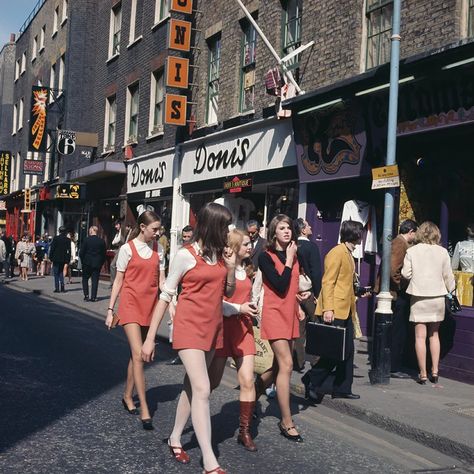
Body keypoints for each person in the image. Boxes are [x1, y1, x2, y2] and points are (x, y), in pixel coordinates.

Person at [141, 202, 236, 474]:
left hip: (212, 328)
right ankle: (209, 461)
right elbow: (166, 294)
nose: (228, 232)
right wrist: (150, 338)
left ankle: (174, 437)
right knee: (204, 389)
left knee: (193, 387)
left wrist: (229, 268)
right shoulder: (185, 254)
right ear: (211, 226)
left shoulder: (219, 256)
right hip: (188, 327)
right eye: (224, 226)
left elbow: (226, 292)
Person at [106, 211, 165, 431]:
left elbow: (162, 283)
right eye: (154, 229)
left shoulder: (160, 250)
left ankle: (127, 396)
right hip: (130, 305)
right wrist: (110, 310)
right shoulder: (126, 249)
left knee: (136, 354)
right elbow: (118, 281)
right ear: (142, 227)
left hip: (149, 306)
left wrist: (174, 304)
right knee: (140, 355)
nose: (157, 233)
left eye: (159, 229)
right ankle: (145, 409)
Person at [208, 229, 259, 452]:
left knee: (248, 381)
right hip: (222, 329)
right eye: (246, 244)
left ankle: (244, 431)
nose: (251, 247)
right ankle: (192, 412)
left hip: (244, 329)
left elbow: (251, 298)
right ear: (235, 247)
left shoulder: (248, 270)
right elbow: (216, 303)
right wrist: (240, 307)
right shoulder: (221, 269)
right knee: (212, 383)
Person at [302, 220, 364, 402]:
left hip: (346, 309)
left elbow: (345, 283)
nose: (362, 236)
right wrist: (328, 308)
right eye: (361, 233)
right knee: (333, 352)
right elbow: (328, 282)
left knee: (348, 351)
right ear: (355, 234)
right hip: (335, 310)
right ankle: (311, 379)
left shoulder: (348, 253)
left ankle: (342, 388)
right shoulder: (337, 253)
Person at [255, 214, 305, 443]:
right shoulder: (265, 257)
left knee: (277, 366)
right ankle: (286, 421)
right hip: (275, 314)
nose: (287, 231)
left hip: (291, 313)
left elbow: (291, 285)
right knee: (287, 364)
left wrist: (300, 297)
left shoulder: (295, 255)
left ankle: (252, 394)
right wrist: (289, 259)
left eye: (289, 228)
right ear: (274, 231)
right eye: (282, 228)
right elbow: (279, 283)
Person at [401, 221, 455, 385]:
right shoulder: (443, 252)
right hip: (437, 297)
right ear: (436, 234)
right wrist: (452, 291)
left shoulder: (412, 251)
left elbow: (405, 274)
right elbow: (449, 276)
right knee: (434, 335)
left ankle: (423, 374)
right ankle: (435, 372)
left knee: (420, 336)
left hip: (418, 297)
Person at [386, 219, 418, 378]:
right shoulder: (400, 244)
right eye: (415, 233)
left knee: (396, 330)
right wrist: (402, 285)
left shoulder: (399, 243)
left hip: (396, 294)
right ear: (411, 231)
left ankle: (393, 365)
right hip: (396, 295)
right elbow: (393, 269)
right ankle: (393, 366)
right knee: (398, 331)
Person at [294, 218, 322, 372]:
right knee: (317, 323)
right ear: (303, 230)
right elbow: (316, 273)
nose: (311, 226)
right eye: (308, 225)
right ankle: (316, 361)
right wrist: (318, 294)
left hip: (295, 292)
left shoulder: (292, 246)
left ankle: (298, 362)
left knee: (299, 327)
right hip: (309, 291)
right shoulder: (311, 247)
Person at [168, 224, 195, 366]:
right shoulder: (181, 252)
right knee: (178, 327)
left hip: (192, 297)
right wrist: (172, 300)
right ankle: (180, 354)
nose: (185, 239)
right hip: (180, 295)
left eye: (188, 237)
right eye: (184, 237)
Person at [80, 226, 107, 302]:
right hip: (97, 263)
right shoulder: (101, 241)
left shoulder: (86, 240)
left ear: (92, 230)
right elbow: (104, 254)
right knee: (95, 280)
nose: (89, 232)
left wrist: (83, 261)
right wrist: (101, 263)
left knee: (85, 279)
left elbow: (81, 252)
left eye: (89, 230)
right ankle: (94, 297)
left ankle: (86, 295)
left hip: (87, 263)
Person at [49, 226, 71, 293]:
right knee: (61, 272)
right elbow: (68, 251)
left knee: (56, 273)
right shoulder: (68, 240)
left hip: (56, 258)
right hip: (63, 259)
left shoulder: (56, 238)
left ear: (59, 231)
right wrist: (68, 259)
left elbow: (52, 248)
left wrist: (51, 257)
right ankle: (62, 287)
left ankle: (57, 288)